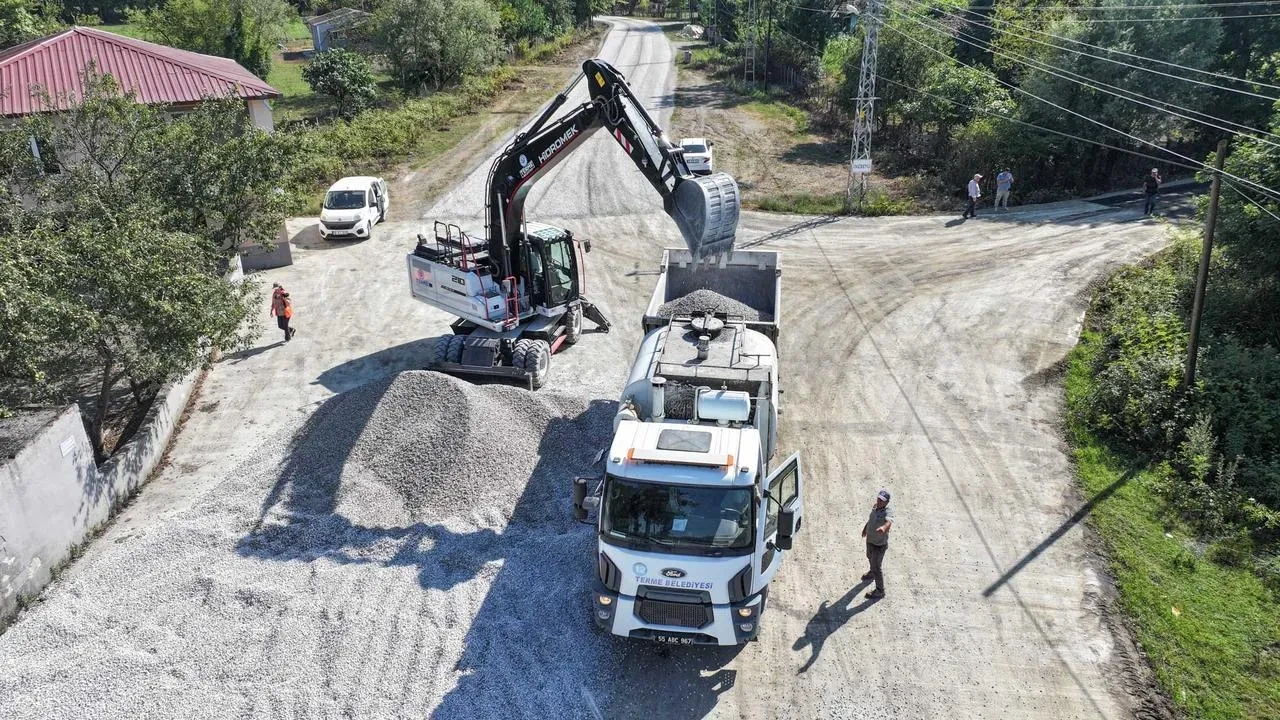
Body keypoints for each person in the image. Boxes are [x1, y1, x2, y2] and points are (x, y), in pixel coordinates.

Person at [860, 488, 894, 599]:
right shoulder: (875, 506)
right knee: (869, 556)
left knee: (877, 567)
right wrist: (866, 528)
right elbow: (871, 519)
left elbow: (889, 522)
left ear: (886, 502)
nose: (879, 501)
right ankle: (871, 572)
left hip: (879, 545)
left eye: (882, 500)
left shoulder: (888, 512)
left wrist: (883, 528)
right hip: (870, 540)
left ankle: (880, 591)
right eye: (878, 498)